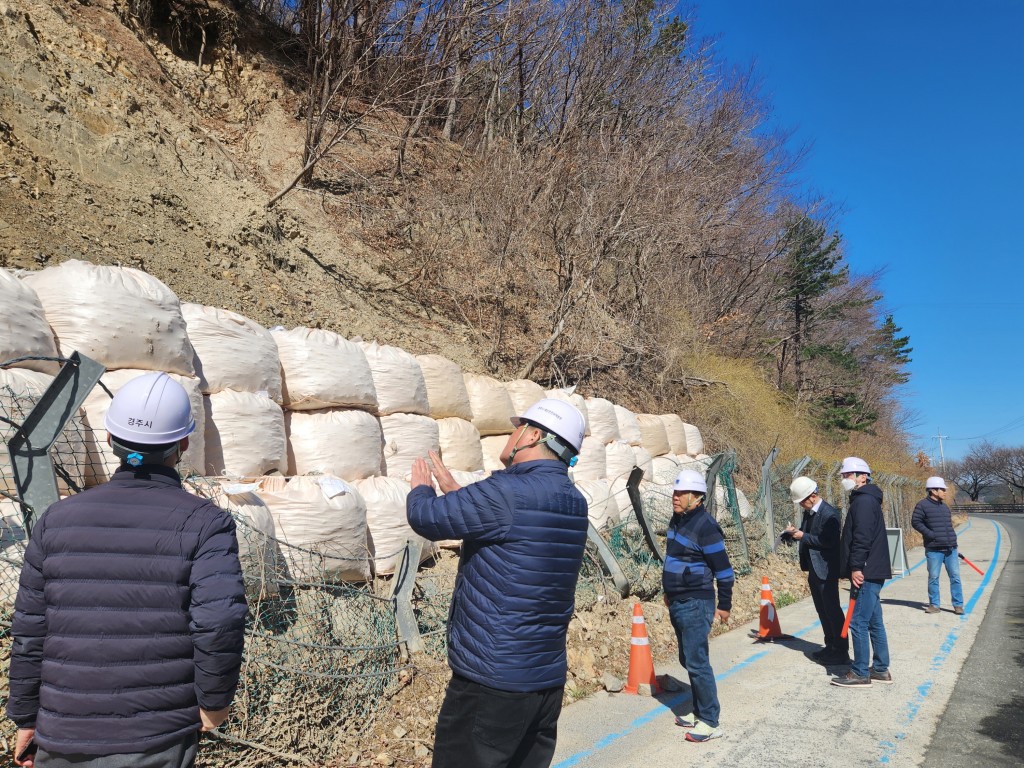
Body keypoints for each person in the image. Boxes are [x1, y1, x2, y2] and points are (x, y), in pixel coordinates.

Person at [7, 372, 249, 767]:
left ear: (109, 440)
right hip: (155, 738)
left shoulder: (55, 520)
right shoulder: (206, 523)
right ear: (183, 444)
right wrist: (214, 702)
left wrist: (26, 716)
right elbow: (220, 619)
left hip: (62, 734)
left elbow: (31, 628)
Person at [406, 398, 589, 768]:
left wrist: (421, 488)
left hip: (492, 683)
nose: (509, 436)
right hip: (545, 681)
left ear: (534, 435)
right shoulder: (574, 502)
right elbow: (513, 535)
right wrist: (460, 492)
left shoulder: (507, 493)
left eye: (515, 428)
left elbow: (426, 518)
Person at [664, 469, 734, 742]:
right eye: (675, 492)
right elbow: (673, 559)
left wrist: (724, 605)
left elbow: (725, 571)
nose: (676, 497)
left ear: (697, 497)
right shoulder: (678, 521)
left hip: (697, 602)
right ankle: (698, 711)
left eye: (681, 493)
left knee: (697, 661)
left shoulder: (706, 527)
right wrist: (668, 591)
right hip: (678, 601)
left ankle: (710, 721)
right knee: (687, 659)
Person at [832, 456, 892, 688]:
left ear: (862, 476)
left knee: (857, 622)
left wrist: (856, 567)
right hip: (872, 569)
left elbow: (862, 538)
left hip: (866, 570)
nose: (844, 479)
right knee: (874, 621)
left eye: (847, 475)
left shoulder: (864, 502)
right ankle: (880, 669)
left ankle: (859, 672)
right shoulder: (866, 499)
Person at [785, 476, 848, 664]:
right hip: (814, 568)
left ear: (812, 496)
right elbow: (808, 535)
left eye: (802, 501)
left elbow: (828, 542)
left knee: (832, 610)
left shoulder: (830, 515)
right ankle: (830, 646)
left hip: (826, 569)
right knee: (822, 610)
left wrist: (802, 535)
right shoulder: (810, 513)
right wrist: (795, 533)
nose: (801, 506)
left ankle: (840, 650)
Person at [912, 476, 964, 615]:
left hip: (950, 548)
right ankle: (934, 605)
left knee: (955, 577)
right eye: (942, 489)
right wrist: (931, 534)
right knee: (934, 577)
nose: (944, 492)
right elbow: (916, 522)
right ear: (933, 491)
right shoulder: (922, 505)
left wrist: (953, 541)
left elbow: (948, 525)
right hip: (934, 549)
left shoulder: (944, 507)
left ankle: (958, 605)